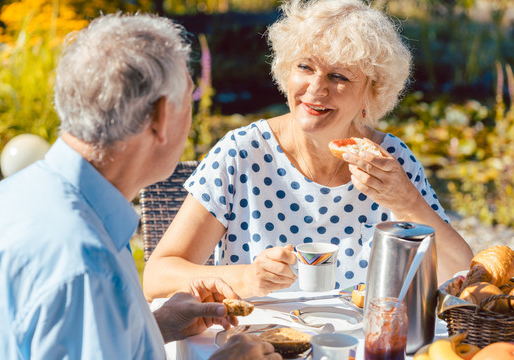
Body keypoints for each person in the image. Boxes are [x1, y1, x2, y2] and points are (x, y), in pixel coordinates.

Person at [0, 13, 281, 360]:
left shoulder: (6, 197)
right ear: (161, 116)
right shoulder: (86, 266)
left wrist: (153, 327)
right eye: (190, 96)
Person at [143, 0, 474, 301]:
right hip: (256, 347)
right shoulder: (241, 154)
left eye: (339, 76)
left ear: (371, 94)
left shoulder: (390, 160)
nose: (316, 89)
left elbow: (458, 272)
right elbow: (157, 277)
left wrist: (408, 202)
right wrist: (245, 278)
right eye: (305, 67)